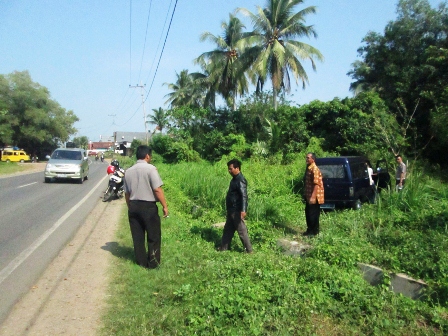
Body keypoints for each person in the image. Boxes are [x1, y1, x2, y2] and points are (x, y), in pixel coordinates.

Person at [123, 145, 168, 268]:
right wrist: (165, 206)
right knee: (153, 236)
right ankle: (153, 263)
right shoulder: (151, 169)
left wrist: (130, 206)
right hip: (148, 207)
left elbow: (126, 193)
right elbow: (157, 189)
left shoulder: (128, 171)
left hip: (134, 206)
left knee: (137, 237)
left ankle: (141, 263)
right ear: (147, 156)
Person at [219, 159, 253, 253]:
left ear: (237, 168)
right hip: (231, 210)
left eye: (231, 169)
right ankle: (224, 248)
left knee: (242, 231)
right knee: (228, 230)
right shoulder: (234, 179)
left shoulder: (241, 180)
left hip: (236, 210)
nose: (229, 171)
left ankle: (249, 251)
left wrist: (243, 210)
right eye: (228, 169)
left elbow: (244, 196)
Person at [303, 153, 324, 236]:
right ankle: (309, 230)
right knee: (308, 212)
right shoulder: (309, 168)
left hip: (314, 196)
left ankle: (314, 232)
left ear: (313, 159)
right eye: (306, 158)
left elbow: (316, 184)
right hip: (309, 195)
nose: (306, 159)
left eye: (308, 158)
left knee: (313, 214)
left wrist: (312, 197)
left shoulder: (314, 169)